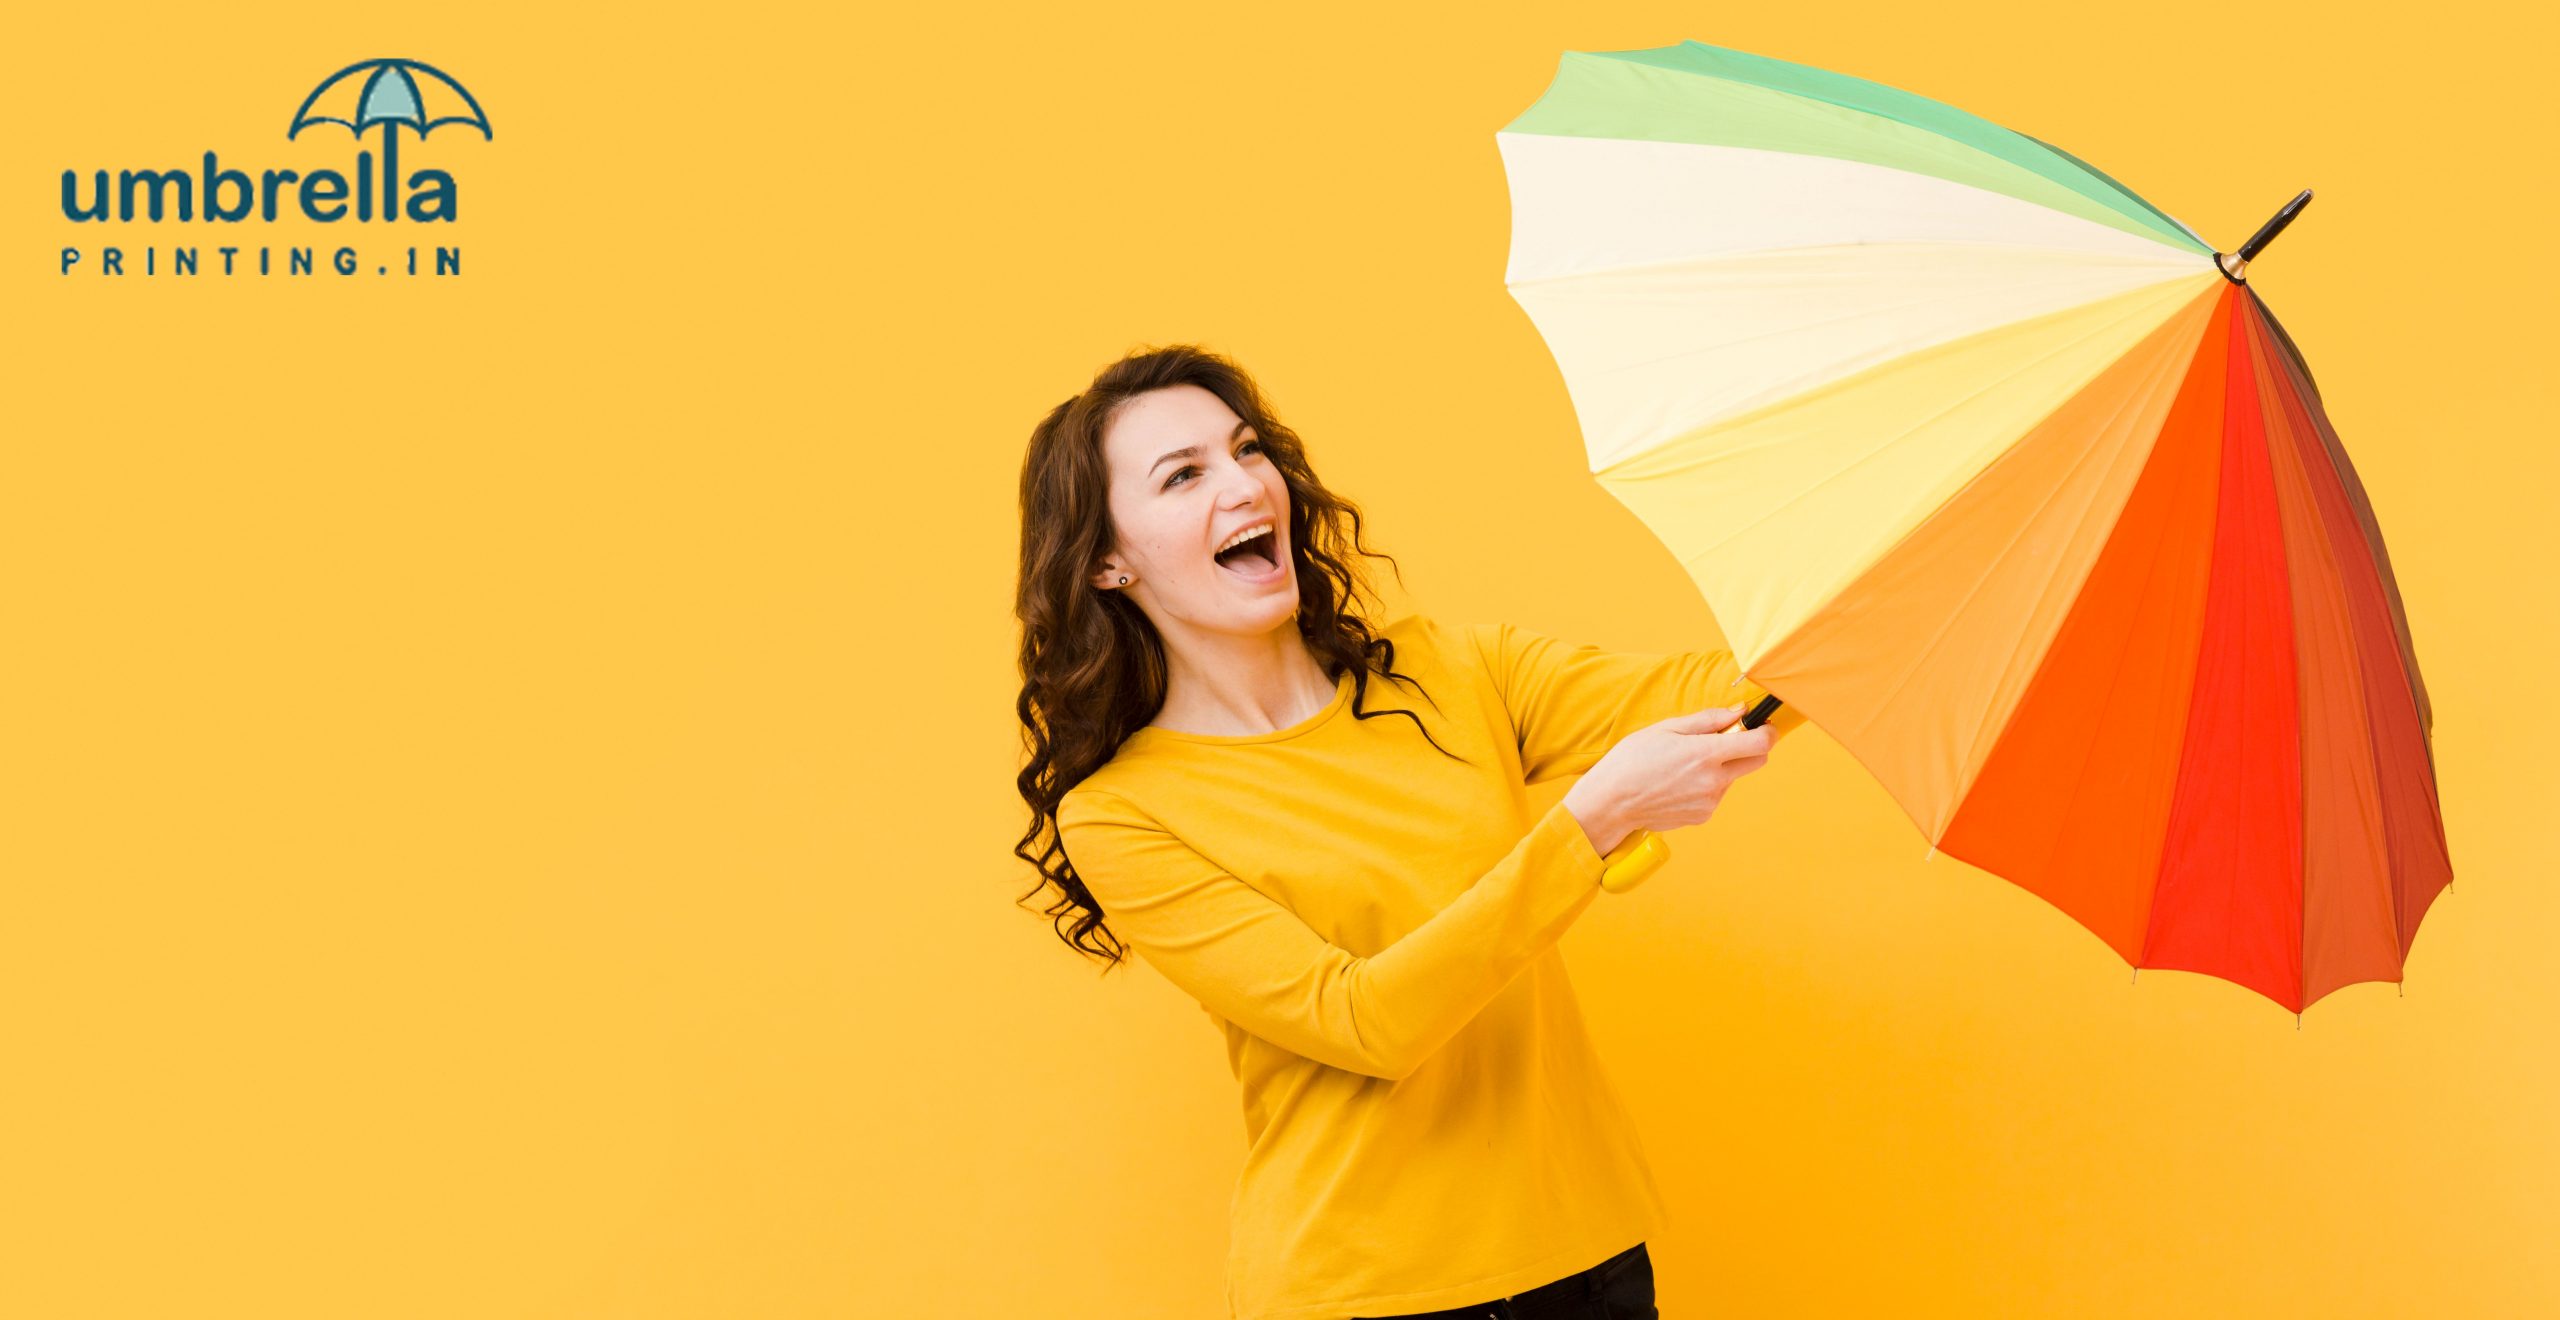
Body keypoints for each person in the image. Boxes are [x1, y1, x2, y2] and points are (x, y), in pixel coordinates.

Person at [1012, 344, 1804, 1320]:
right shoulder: (1127, 813)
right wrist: (1590, 826)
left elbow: (1728, 692)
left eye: (1247, 450)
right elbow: (1362, 1023)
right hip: (1371, 1292)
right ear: (1106, 562)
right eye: (1183, 476)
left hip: (1588, 1254)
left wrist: (1880, 582)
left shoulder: (1445, 670)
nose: (1245, 484)